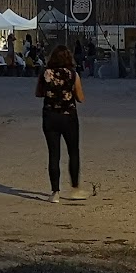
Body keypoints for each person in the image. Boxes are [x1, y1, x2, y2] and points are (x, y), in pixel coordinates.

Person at [36, 44, 87, 202]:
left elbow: (38, 93)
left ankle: (55, 192)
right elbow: (80, 98)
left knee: (54, 154)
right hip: (68, 116)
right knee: (73, 151)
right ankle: (75, 188)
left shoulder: (46, 73)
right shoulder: (73, 74)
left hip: (50, 116)